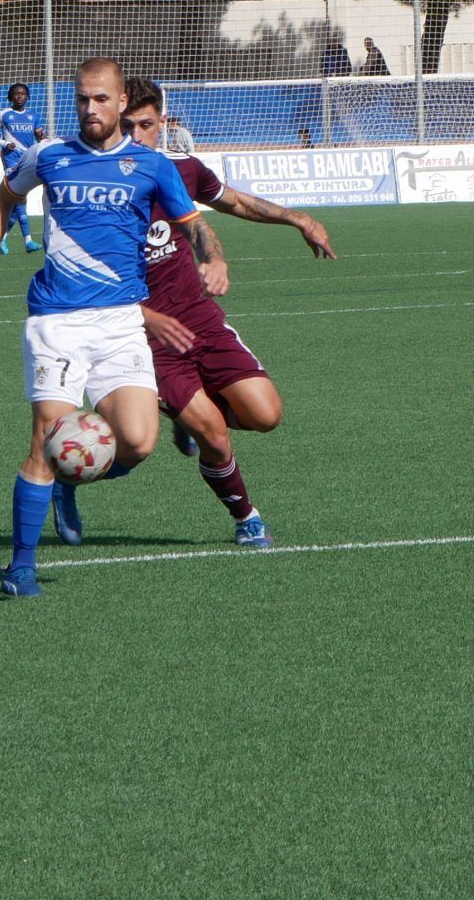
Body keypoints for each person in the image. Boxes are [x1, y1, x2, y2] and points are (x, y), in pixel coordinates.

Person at [0, 58, 200, 599]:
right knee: (47, 439)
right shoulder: (48, 155)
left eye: (100, 99)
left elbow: (194, 224)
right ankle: (20, 567)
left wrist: (212, 257)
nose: (90, 108)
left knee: (139, 443)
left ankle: (68, 484)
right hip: (57, 321)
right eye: (81, 99)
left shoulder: (151, 165)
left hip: (121, 323)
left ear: (123, 103)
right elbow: (5, 199)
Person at [120, 78, 336, 549]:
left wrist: (298, 220)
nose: (137, 137)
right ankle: (247, 517)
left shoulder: (182, 169)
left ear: (163, 123)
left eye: (147, 125)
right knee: (216, 435)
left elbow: (233, 202)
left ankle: (187, 414)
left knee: (266, 414)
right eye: (127, 126)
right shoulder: (99, 186)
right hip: (144, 334)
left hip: (198, 317)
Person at [0, 82, 42, 255]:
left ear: (27, 96)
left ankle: (1, 238)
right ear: (10, 96)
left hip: (28, 158)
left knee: (18, 201)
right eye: (16, 94)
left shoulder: (33, 116)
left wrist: (41, 139)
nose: (19, 96)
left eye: (23, 93)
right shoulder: (4, 114)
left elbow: (38, 135)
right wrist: (3, 142)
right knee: (20, 197)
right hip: (11, 157)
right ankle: (28, 241)